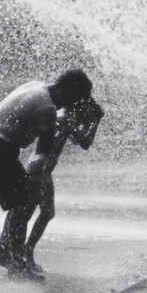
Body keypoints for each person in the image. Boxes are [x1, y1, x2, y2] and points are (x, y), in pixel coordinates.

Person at [0, 68, 96, 277]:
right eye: (74, 99)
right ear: (67, 91)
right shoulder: (47, 108)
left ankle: (3, 254)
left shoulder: (36, 86)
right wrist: (36, 180)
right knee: (22, 207)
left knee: (19, 206)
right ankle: (16, 263)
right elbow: (43, 152)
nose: (71, 105)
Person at [19, 96, 103, 273]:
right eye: (87, 117)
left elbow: (79, 139)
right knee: (32, 214)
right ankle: (21, 251)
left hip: (40, 170)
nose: (85, 122)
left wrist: (89, 124)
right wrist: (95, 123)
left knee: (32, 214)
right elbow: (85, 142)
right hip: (38, 171)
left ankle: (8, 251)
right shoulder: (65, 120)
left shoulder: (65, 118)